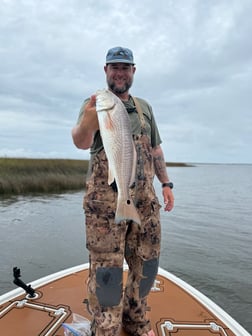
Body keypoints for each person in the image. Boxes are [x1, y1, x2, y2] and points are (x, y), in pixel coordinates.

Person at [72, 46, 174, 336]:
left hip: (144, 201)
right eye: (114, 67)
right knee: (108, 271)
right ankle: (106, 328)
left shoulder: (144, 108)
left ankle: (135, 319)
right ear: (105, 70)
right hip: (104, 205)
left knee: (147, 263)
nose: (119, 72)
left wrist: (166, 184)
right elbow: (80, 141)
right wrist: (88, 122)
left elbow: (155, 149)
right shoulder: (94, 104)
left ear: (133, 71)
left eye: (125, 67)